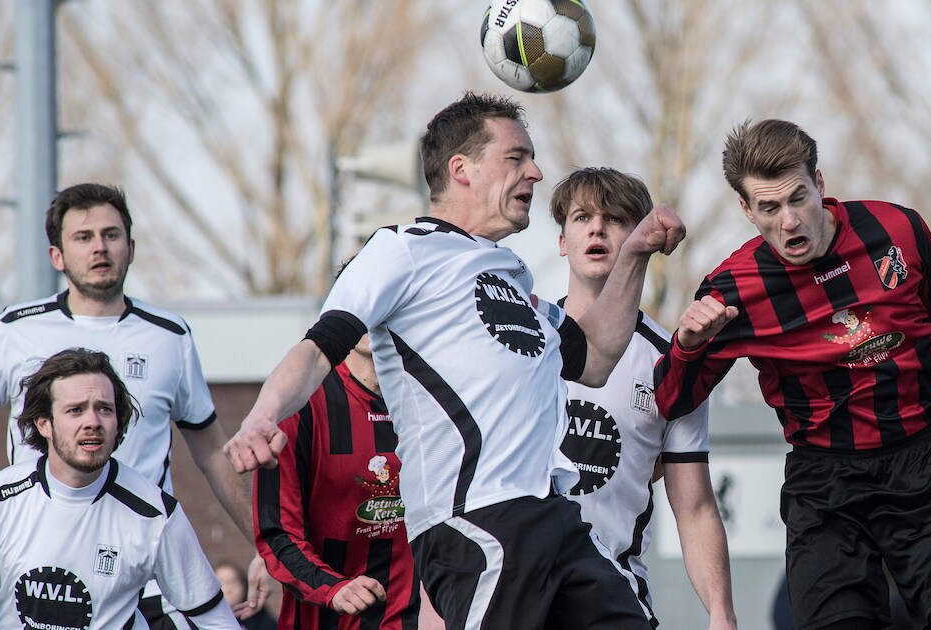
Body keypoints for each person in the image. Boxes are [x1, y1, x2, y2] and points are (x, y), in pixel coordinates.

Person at [224, 92, 684, 629]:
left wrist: (635, 254)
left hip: (557, 518)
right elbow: (317, 348)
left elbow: (597, 356)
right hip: (480, 521)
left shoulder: (512, 276)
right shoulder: (402, 249)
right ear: (461, 169)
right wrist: (261, 416)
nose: (536, 172)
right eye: (517, 157)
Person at [653, 119, 931, 630]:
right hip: (825, 484)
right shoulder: (731, 290)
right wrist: (687, 347)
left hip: (924, 466)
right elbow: (671, 400)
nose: (790, 222)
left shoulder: (898, 230)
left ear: (819, 185)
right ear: (746, 210)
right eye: (769, 208)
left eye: (797, 198)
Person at [0, 182, 265, 627]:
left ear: (131, 246)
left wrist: (265, 546)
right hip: (42, 560)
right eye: (83, 237)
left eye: (111, 234)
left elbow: (211, 450)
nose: (99, 248)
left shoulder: (169, 336)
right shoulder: (15, 329)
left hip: (146, 562)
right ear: (57, 256)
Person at [549, 167, 736, 629]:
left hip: (612, 597)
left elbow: (694, 509)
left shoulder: (672, 362)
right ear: (561, 240)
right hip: (519, 594)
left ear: (641, 237)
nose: (597, 228)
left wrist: (721, 612)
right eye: (581, 217)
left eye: (614, 219)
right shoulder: (524, 339)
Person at [0, 348, 237, 629]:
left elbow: (217, 621)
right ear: (44, 423)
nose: (92, 422)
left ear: (118, 423)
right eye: (75, 410)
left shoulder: (155, 515)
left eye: (104, 409)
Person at [254, 334, 422, 629]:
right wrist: (333, 588)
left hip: (409, 618)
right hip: (322, 619)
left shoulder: (432, 402)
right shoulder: (300, 402)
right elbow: (277, 532)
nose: (376, 312)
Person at [215, 562, 277, 630]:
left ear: (243, 586)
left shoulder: (261, 620)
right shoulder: (205, 619)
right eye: (221, 582)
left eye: (233, 582)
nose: (228, 588)